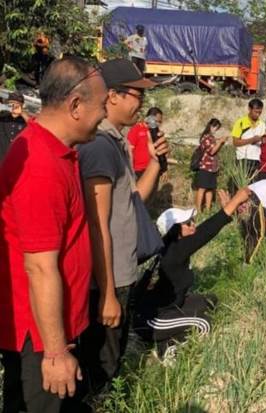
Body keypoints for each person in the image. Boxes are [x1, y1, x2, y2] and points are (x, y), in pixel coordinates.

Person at [0, 57, 107, 413]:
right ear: (76, 105)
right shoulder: (40, 166)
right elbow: (40, 268)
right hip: (40, 338)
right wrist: (56, 353)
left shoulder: (59, 153)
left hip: (53, 326)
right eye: (102, 105)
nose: (104, 114)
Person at [77, 58, 168, 396]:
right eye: (135, 95)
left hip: (121, 275)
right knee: (99, 367)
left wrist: (156, 164)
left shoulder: (119, 143)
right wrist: (108, 294)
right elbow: (97, 224)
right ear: (111, 96)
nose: (140, 104)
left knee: (109, 362)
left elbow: (132, 202)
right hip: (106, 280)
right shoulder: (100, 146)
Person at [134, 188, 251, 355]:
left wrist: (226, 210)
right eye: (188, 223)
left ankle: (167, 338)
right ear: (174, 231)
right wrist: (235, 202)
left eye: (193, 220)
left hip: (172, 306)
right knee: (204, 324)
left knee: (210, 301)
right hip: (151, 320)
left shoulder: (174, 247)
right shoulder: (173, 251)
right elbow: (205, 232)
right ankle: (167, 347)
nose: (193, 225)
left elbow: (202, 231)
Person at [194, 118, 226, 211]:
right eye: (215, 127)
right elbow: (212, 151)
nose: (216, 130)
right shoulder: (206, 137)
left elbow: (216, 150)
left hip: (213, 167)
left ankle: (208, 209)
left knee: (210, 188)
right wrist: (220, 142)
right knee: (202, 188)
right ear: (211, 126)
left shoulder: (212, 138)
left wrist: (220, 143)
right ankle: (199, 210)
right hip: (205, 166)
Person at [231, 98, 266, 178]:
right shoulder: (240, 122)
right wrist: (252, 140)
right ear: (249, 109)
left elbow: (264, 141)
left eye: (260, 112)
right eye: (256, 112)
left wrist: (263, 140)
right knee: (242, 186)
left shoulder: (262, 125)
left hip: (256, 159)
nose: (257, 114)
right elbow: (235, 142)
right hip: (242, 158)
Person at [127, 107, 163, 178]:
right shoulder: (136, 129)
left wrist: (163, 168)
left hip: (152, 169)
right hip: (138, 171)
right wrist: (130, 171)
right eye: (157, 121)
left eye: (160, 122)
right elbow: (129, 150)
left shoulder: (156, 132)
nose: (158, 124)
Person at [0, 92, 29, 161]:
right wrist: (4, 108)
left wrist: (22, 113)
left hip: (15, 163)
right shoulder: (2, 117)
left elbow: (35, 128)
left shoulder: (25, 121)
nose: (14, 107)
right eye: (11, 104)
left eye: (17, 104)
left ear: (22, 106)